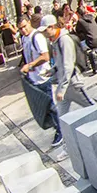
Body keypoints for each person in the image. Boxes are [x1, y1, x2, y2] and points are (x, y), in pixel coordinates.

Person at [20, 15, 62, 147]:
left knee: (51, 105)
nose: (23, 30)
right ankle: (57, 127)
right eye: (20, 28)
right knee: (45, 106)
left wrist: (31, 65)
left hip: (43, 77)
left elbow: (45, 56)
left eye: (24, 27)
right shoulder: (24, 38)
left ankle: (61, 131)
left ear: (29, 23)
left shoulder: (36, 37)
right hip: (34, 78)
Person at [44, 20, 94, 118]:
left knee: (92, 107)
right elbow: (60, 62)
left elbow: (68, 65)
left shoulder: (64, 40)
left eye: (45, 30)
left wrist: (62, 89)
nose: (44, 33)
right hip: (63, 84)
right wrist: (53, 70)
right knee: (62, 118)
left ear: (52, 27)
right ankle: (63, 132)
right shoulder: (55, 41)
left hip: (73, 83)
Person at [73, 8, 97, 74]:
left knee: (79, 47)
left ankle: (84, 65)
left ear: (78, 14)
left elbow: (77, 31)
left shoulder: (80, 21)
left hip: (92, 42)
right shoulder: (91, 17)